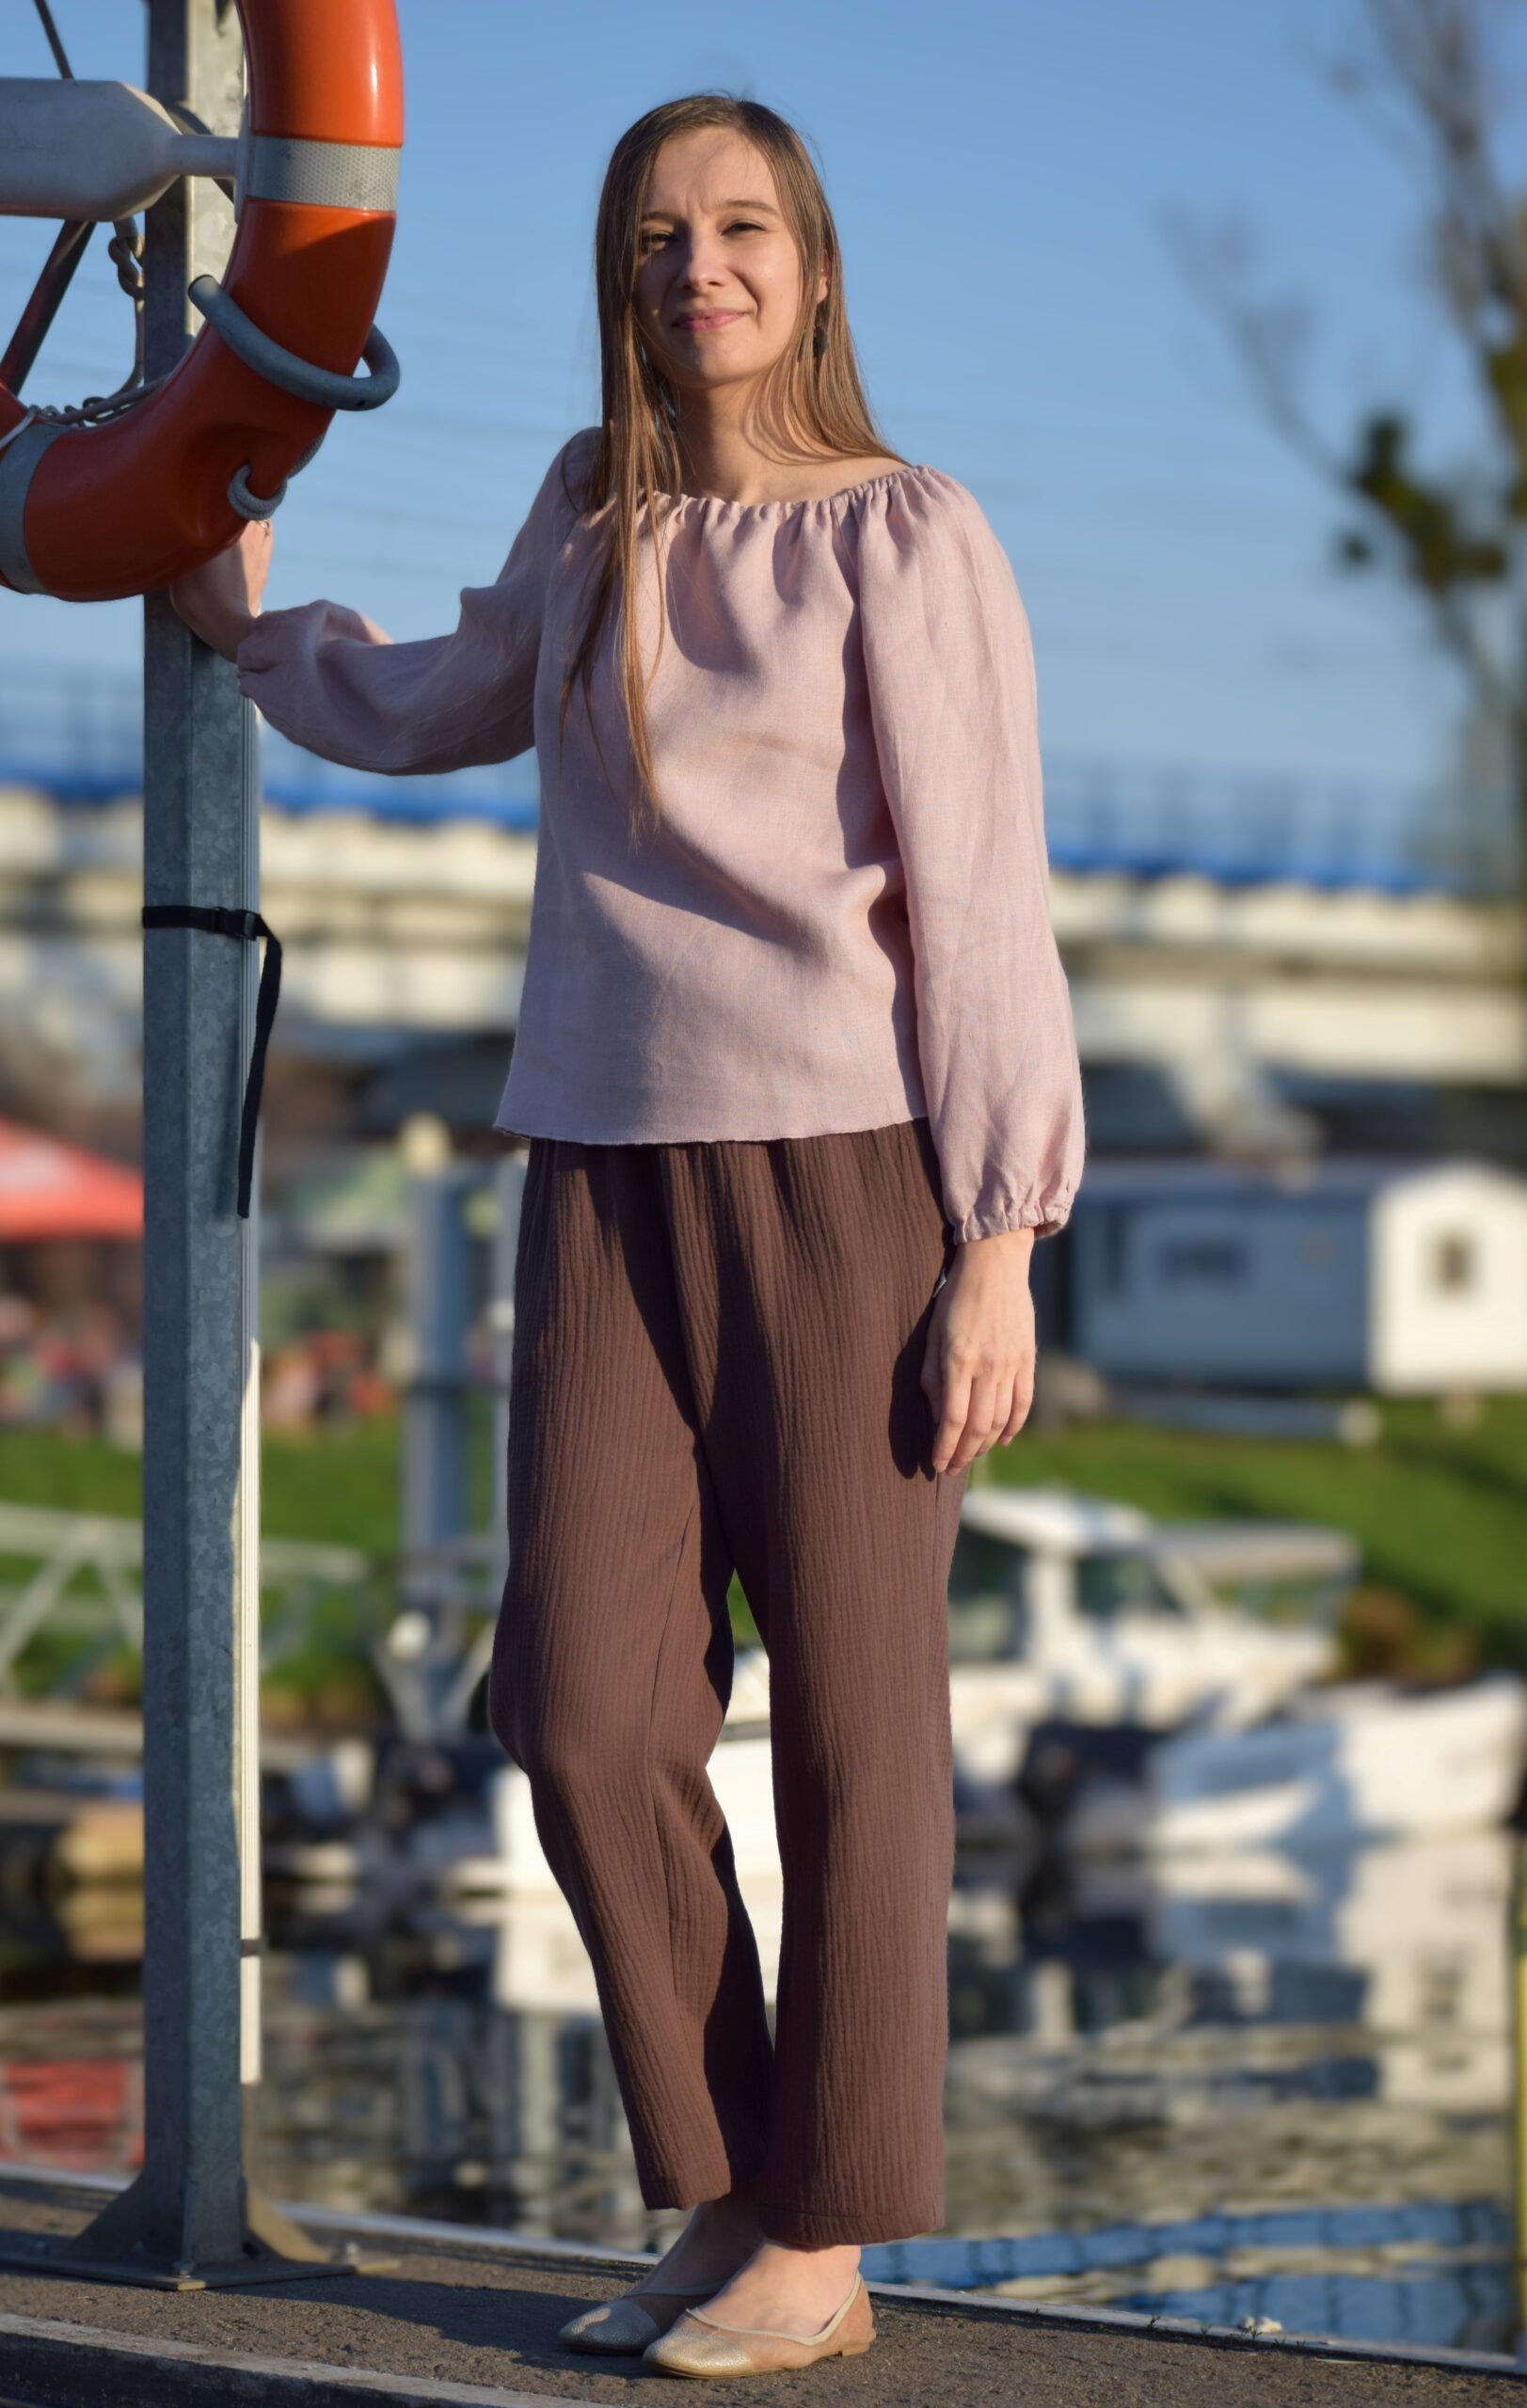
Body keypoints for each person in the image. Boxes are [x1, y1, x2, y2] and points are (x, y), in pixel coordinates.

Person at [170, 89, 1086, 2385]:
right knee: (578, 1707)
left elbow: (980, 898)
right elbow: (452, 693)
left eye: (742, 226)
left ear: (812, 263)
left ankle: (822, 2238)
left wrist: (1000, 1234)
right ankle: (725, 2185)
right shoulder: (592, 508)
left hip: (851, 1180)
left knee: (856, 1728)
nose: (701, 268)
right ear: (621, 276)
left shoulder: (903, 532)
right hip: (595, 1164)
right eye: (659, 235)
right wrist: (261, 640)